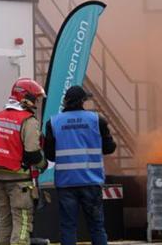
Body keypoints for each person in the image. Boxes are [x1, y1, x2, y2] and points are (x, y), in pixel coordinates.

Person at [0, 78, 49, 245]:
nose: (37, 103)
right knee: (22, 222)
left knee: (4, 221)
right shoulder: (28, 121)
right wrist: (43, 165)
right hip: (19, 182)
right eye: (35, 98)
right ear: (26, 98)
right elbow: (32, 153)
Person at [43, 85, 116, 245]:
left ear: (66, 102)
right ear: (83, 101)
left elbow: (49, 155)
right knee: (96, 227)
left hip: (66, 183)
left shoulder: (53, 123)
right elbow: (109, 148)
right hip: (91, 182)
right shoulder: (97, 120)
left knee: (68, 227)